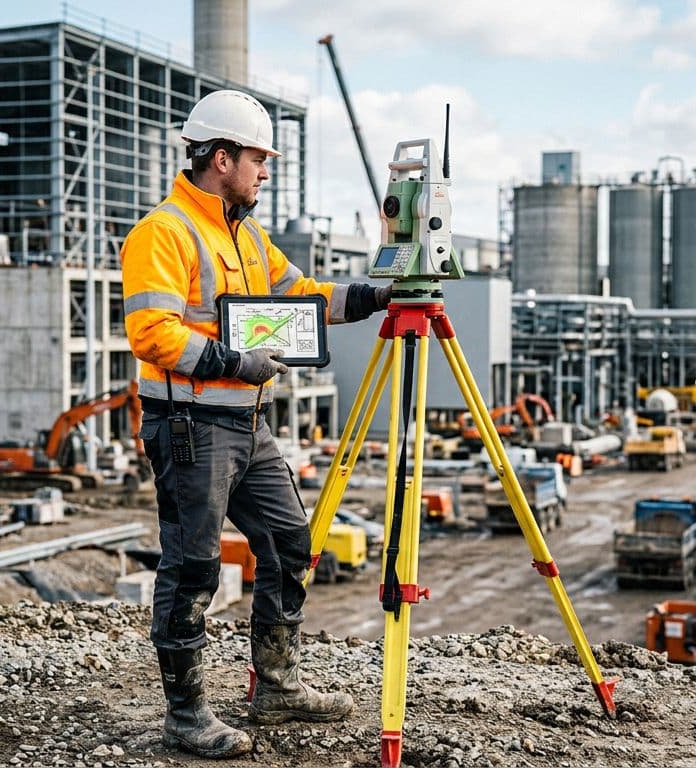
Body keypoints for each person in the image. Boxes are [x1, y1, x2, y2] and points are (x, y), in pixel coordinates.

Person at [120, 89, 391, 758]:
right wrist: (232, 359)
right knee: (193, 570)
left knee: (289, 546)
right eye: (258, 160)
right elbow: (150, 332)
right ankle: (186, 716)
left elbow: (302, 297)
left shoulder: (245, 236)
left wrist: (379, 295)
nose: (265, 172)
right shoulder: (165, 231)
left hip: (247, 424)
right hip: (190, 425)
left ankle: (277, 684)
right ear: (221, 158)